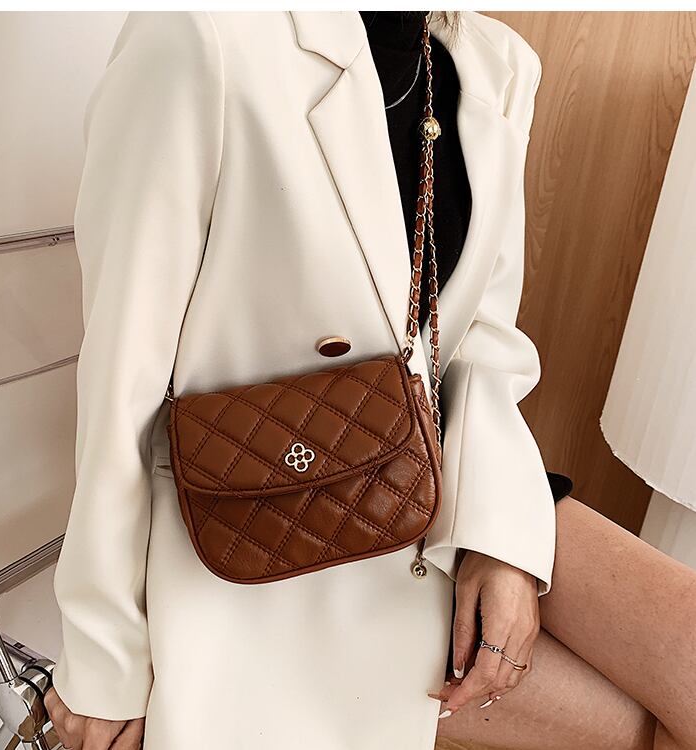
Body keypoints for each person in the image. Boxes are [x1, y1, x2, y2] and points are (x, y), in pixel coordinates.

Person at [42, 10, 696, 750]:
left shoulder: (497, 66)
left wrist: (503, 540)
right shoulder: (204, 35)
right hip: (269, 540)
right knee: (647, 731)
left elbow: (479, 344)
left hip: (448, 474)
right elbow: (120, 379)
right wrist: (104, 659)